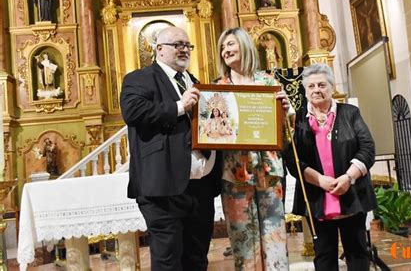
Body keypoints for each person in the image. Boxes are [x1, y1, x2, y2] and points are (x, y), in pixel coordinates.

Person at [120, 26, 221, 271]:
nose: (184, 49)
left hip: (201, 187)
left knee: (197, 259)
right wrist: (179, 106)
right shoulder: (139, 78)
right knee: (168, 261)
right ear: (160, 49)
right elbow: (133, 112)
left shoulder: (196, 82)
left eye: (188, 45)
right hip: (162, 188)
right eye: (178, 44)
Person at [284, 63, 376, 271]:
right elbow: (292, 159)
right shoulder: (297, 120)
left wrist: (348, 177)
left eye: (322, 85)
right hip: (317, 197)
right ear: (305, 91)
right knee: (324, 256)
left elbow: (368, 148)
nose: (316, 89)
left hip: (351, 194)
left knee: (357, 253)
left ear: (331, 87)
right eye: (311, 86)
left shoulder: (350, 113)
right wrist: (319, 180)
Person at [215, 27, 291, 270]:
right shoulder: (218, 87)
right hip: (235, 173)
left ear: (244, 46)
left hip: (269, 170)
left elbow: (286, 132)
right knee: (243, 241)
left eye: (230, 44)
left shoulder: (268, 82)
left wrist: (287, 111)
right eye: (223, 47)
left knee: (274, 234)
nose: (226, 50)